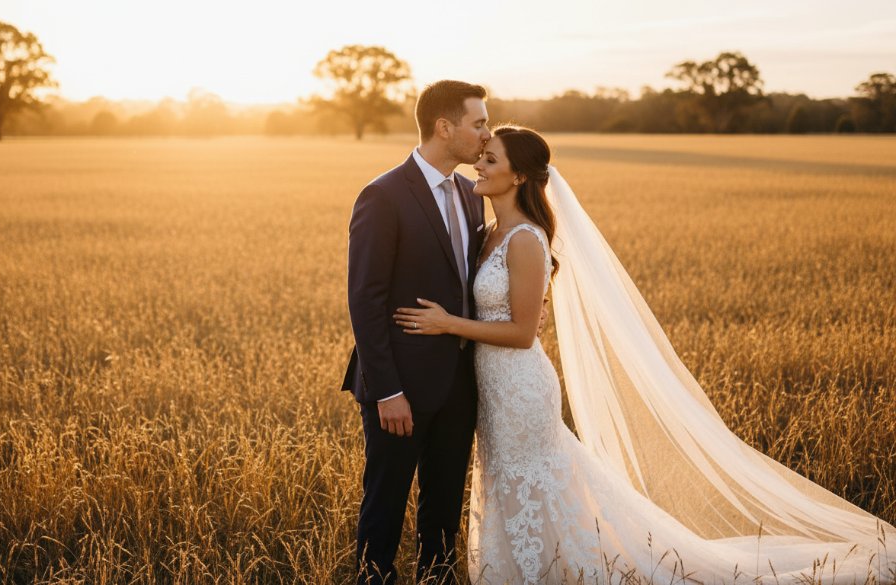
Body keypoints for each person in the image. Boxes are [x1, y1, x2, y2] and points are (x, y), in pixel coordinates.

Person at [393, 125, 896, 584]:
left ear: (519, 174)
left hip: (520, 386)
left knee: (532, 484)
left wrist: (447, 324)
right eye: (481, 157)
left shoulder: (525, 239)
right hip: (493, 389)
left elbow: (524, 333)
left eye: (491, 160)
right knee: (511, 486)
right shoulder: (489, 234)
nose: (477, 166)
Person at [341, 79, 490, 585]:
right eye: (478, 124)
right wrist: (388, 391)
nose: (486, 135)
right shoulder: (382, 195)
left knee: (443, 509)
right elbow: (365, 299)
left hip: (459, 384)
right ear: (444, 128)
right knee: (384, 505)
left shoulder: (473, 193)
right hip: (398, 388)